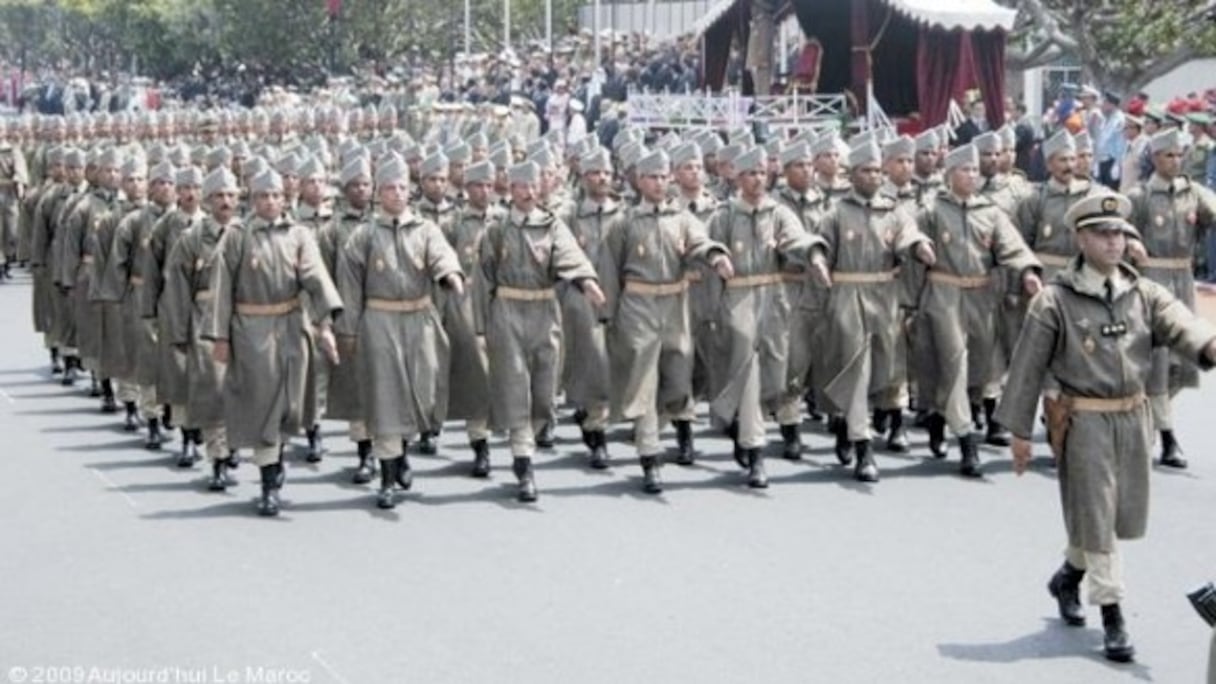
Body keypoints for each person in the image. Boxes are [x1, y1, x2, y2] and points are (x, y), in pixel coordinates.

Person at [996, 191, 1216, 664]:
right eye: (1103, 233)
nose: (1114, 242)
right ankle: (1113, 613)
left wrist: (1208, 345)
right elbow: (1027, 368)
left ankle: (1067, 577)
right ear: (1081, 238)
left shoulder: (1142, 292)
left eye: (1120, 233)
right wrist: (1017, 433)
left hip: (1133, 418)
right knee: (1097, 515)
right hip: (1083, 420)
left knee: (1114, 515)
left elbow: (1179, 325)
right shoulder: (1055, 300)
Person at [201, 169, 343, 517]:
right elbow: (221, 291)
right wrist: (220, 336)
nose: (270, 202)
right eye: (263, 196)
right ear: (252, 199)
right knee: (263, 404)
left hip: (292, 327)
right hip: (251, 331)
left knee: (291, 405)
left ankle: (277, 457)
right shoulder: (237, 236)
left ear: (284, 198)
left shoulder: (299, 235)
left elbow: (315, 277)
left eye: (276, 195)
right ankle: (267, 481)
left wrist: (325, 323)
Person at [597, 148, 732, 493]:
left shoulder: (682, 219)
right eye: (652, 177)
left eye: (662, 177)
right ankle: (649, 455)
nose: (659, 183)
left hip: (675, 304)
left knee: (678, 376)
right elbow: (610, 272)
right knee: (644, 379)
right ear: (640, 181)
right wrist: (607, 316)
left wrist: (715, 256)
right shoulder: (624, 222)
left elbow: (700, 242)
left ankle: (664, 425)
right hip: (638, 306)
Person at [334, 154, 464, 509]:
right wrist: (349, 333)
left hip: (420, 320)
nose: (396, 194)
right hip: (379, 321)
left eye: (402, 187)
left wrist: (451, 276)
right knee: (386, 395)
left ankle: (402, 450)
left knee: (417, 392)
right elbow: (349, 287)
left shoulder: (425, 229)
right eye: (389, 188)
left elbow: (442, 256)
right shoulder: (363, 235)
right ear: (379, 192)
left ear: (411, 190)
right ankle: (387, 477)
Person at [475, 160, 604, 503]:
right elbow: (483, 279)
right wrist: (480, 328)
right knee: (516, 384)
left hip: (545, 310)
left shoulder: (552, 225)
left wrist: (586, 280)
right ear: (511, 189)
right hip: (507, 311)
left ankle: (530, 436)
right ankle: (523, 460)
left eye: (533, 185)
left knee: (545, 392)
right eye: (521, 186)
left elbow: (569, 255)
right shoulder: (496, 229)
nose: (529, 192)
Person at [915, 144, 1042, 476]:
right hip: (943, 295)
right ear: (949, 174)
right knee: (954, 362)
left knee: (980, 368)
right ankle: (967, 442)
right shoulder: (931, 210)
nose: (971, 175)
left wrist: (1028, 272)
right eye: (964, 170)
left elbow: (1012, 246)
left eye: (974, 170)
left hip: (982, 297)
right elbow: (911, 245)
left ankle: (940, 418)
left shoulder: (991, 211)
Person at [813, 140, 934, 480]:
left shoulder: (893, 209)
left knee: (887, 366)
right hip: (848, 296)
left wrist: (920, 246)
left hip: (884, 297)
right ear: (852, 175)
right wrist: (820, 263)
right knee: (855, 369)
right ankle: (863, 447)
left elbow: (907, 232)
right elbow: (820, 245)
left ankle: (851, 424)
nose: (873, 177)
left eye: (878, 171)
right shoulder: (836, 213)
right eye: (866, 171)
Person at [705, 147, 823, 487]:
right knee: (748, 370)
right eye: (750, 173)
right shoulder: (724, 215)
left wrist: (812, 254)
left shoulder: (780, 213)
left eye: (761, 172)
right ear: (738, 178)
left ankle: (743, 423)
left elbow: (796, 239)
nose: (758, 179)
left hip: (774, 298)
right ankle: (755, 451)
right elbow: (709, 251)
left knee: (775, 371)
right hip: (739, 298)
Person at [1125, 128, 1216, 469]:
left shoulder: (1193, 193)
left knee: (1183, 361)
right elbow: (1118, 229)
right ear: (1154, 158)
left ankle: (1149, 418)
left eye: (1179, 156)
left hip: (1184, 279)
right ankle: (1167, 436)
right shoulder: (1140, 196)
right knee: (1158, 360)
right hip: (1153, 280)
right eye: (1168, 156)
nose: (1175, 162)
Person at [162, 167, 241, 491]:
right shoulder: (191, 239)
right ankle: (218, 459)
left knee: (243, 391)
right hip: (206, 321)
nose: (225, 201)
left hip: (246, 321)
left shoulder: (247, 233)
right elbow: (177, 289)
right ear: (208, 201)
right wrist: (179, 334)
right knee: (213, 391)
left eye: (231, 195)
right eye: (219, 196)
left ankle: (235, 444)